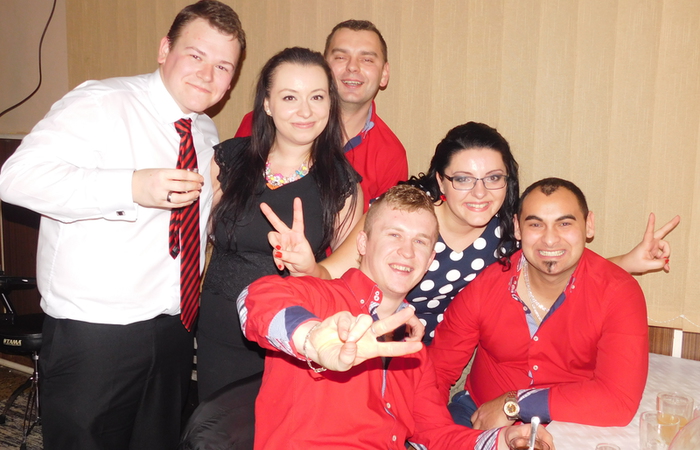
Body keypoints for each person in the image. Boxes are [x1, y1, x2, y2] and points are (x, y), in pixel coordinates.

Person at [0, 1, 245, 448]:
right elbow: (15, 178)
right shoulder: (101, 103)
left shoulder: (205, 133)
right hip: (95, 333)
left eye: (223, 66)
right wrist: (130, 186)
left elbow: (193, 225)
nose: (207, 75)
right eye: (195, 55)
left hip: (174, 328)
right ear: (164, 49)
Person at [267, 122, 680, 343]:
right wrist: (306, 265)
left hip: (440, 354)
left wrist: (629, 262)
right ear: (441, 181)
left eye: (493, 178)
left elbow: (555, 264)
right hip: (365, 339)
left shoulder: (505, 231)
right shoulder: (406, 214)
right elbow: (333, 275)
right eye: (463, 179)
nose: (480, 193)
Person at [239, 185, 555, 450]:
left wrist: (500, 440)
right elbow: (255, 299)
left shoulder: (412, 348)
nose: (407, 252)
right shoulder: (320, 298)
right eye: (394, 235)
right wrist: (311, 339)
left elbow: (436, 434)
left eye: (420, 241)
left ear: (430, 259)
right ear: (363, 243)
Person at [196, 47, 362, 401]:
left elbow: (348, 281)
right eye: (290, 97)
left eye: (317, 97)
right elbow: (197, 239)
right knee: (216, 426)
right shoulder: (227, 161)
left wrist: (310, 268)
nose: (305, 111)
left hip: (293, 337)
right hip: (220, 331)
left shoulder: (342, 184)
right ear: (267, 104)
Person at [430, 178, 649, 429]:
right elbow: (437, 372)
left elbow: (617, 401)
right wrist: (437, 431)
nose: (550, 239)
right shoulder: (484, 288)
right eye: (535, 224)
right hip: (478, 414)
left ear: (589, 225)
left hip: (566, 425)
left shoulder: (619, 293)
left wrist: (516, 403)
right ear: (518, 228)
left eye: (564, 223)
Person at [235, 20, 408, 210]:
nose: (352, 67)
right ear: (324, 67)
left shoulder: (391, 156)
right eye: (341, 57)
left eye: (367, 59)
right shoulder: (262, 123)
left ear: (384, 74)